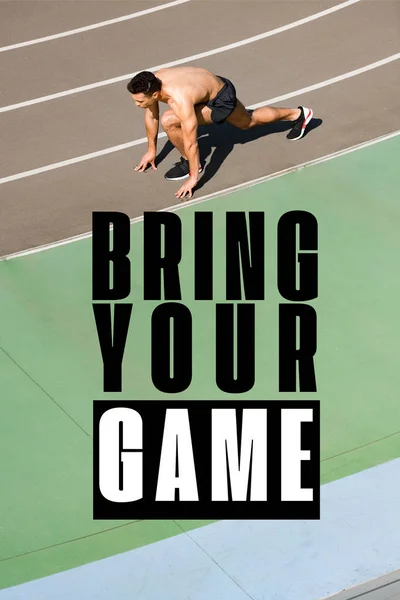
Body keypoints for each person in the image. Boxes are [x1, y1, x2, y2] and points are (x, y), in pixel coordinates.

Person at [127, 66, 313, 200]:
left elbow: (192, 141)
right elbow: (151, 115)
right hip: (206, 86)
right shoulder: (153, 80)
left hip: (220, 98)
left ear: (154, 95)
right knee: (170, 120)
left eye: (139, 101)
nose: (136, 105)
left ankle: (298, 114)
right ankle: (298, 114)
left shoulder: (179, 98)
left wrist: (193, 178)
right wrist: (152, 150)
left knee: (248, 122)